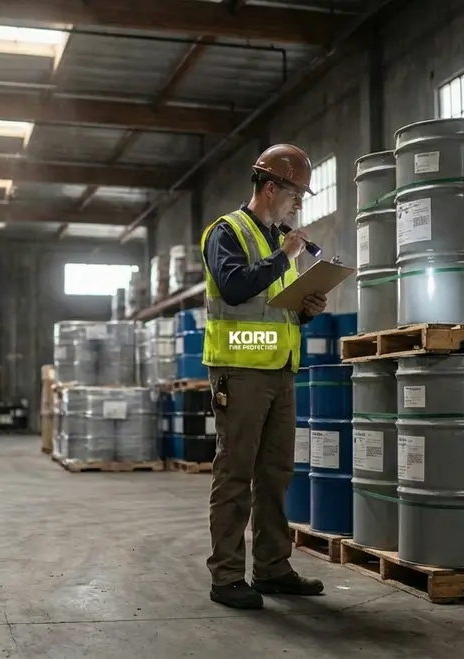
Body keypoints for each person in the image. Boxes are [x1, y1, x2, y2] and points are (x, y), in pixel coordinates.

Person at [199, 143, 329, 610]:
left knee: (275, 474)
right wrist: (284, 256)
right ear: (271, 188)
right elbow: (234, 288)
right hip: (240, 371)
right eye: (295, 195)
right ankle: (227, 576)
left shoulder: (277, 241)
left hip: (278, 371)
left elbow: (272, 309)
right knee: (235, 473)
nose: (298, 206)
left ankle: (273, 568)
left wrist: (306, 308)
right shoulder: (227, 232)